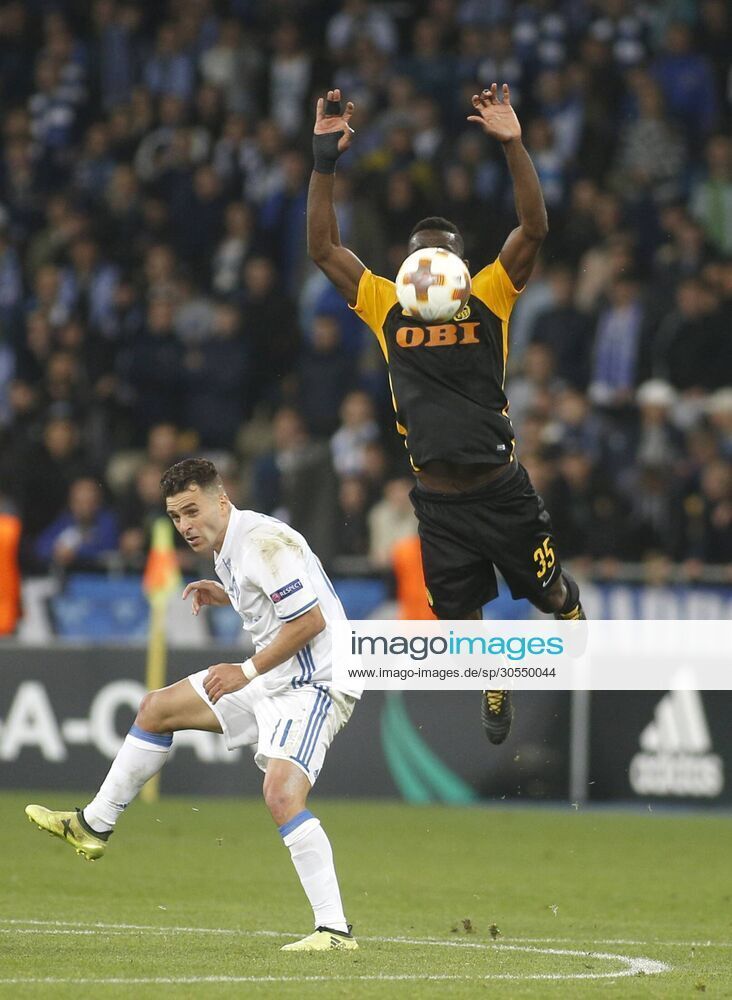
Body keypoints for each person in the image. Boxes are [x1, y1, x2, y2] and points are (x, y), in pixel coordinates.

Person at [307, 87, 586, 745]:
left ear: (457, 264)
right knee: (460, 620)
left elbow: (534, 229)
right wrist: (323, 163)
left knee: (548, 594)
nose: (429, 266)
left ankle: (571, 615)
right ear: (409, 265)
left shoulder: (489, 294)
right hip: (437, 500)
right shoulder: (387, 303)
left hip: (500, 487)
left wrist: (514, 145)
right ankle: (494, 678)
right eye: (420, 256)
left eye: (441, 255)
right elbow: (323, 249)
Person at [26, 458, 361, 952]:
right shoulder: (227, 546)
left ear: (221, 501)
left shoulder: (264, 543)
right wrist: (228, 595)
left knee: (281, 796)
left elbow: (309, 622)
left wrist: (246, 671)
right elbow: (271, 599)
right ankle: (92, 825)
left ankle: (334, 931)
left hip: (315, 682)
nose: (184, 525)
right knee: (156, 709)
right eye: (175, 516)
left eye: (191, 510)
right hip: (274, 676)